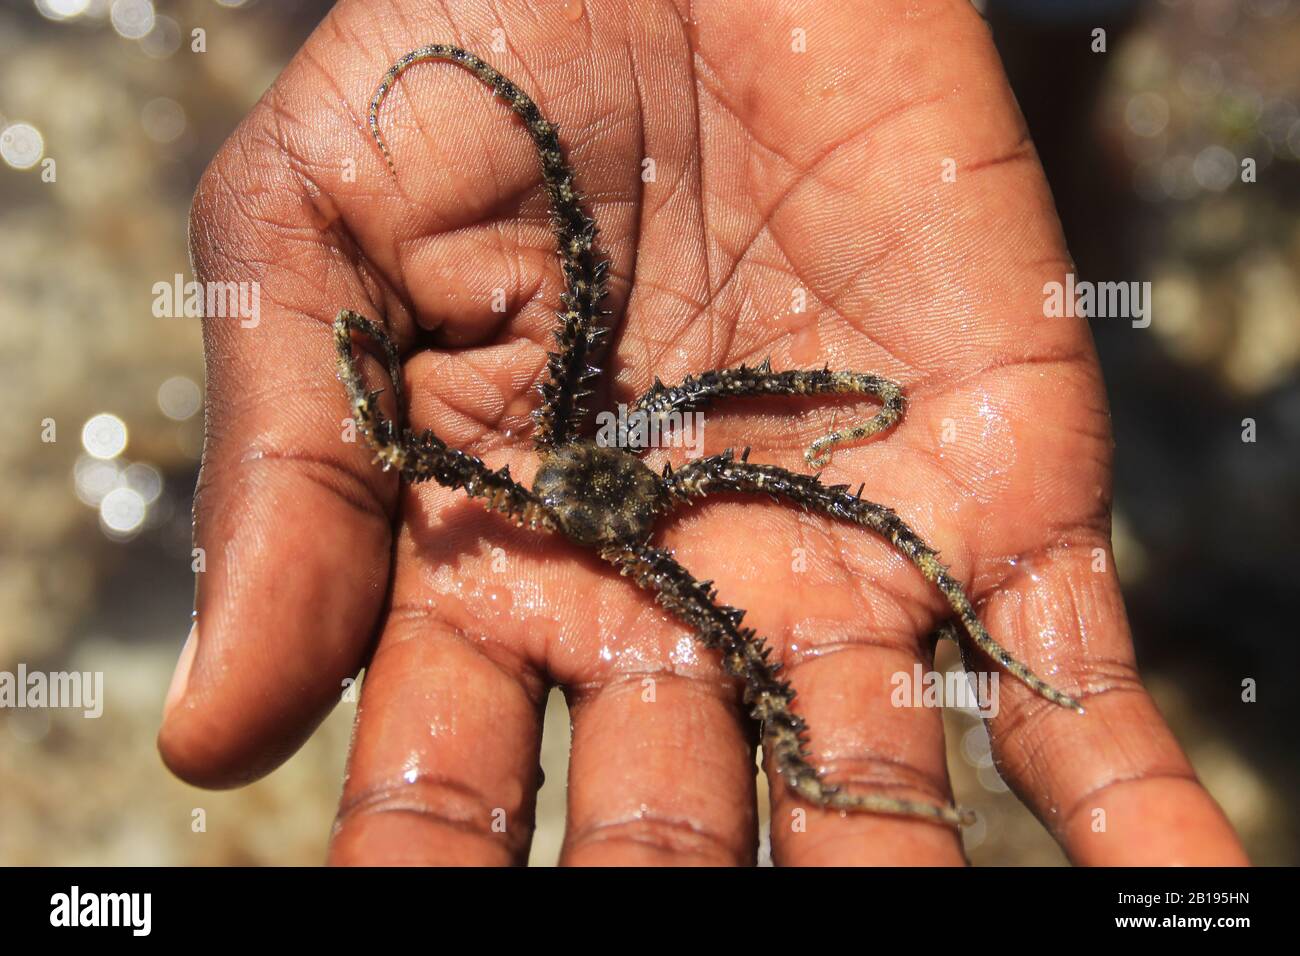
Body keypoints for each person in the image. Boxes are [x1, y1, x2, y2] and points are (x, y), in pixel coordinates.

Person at [157, 0, 1248, 866]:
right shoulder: (588, 467)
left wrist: (364, 358)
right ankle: (826, 769)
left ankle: (850, 743)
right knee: (760, 502)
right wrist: (360, 353)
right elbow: (404, 449)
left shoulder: (625, 469)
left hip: (620, 481)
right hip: (599, 478)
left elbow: (422, 447)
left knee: (821, 503)